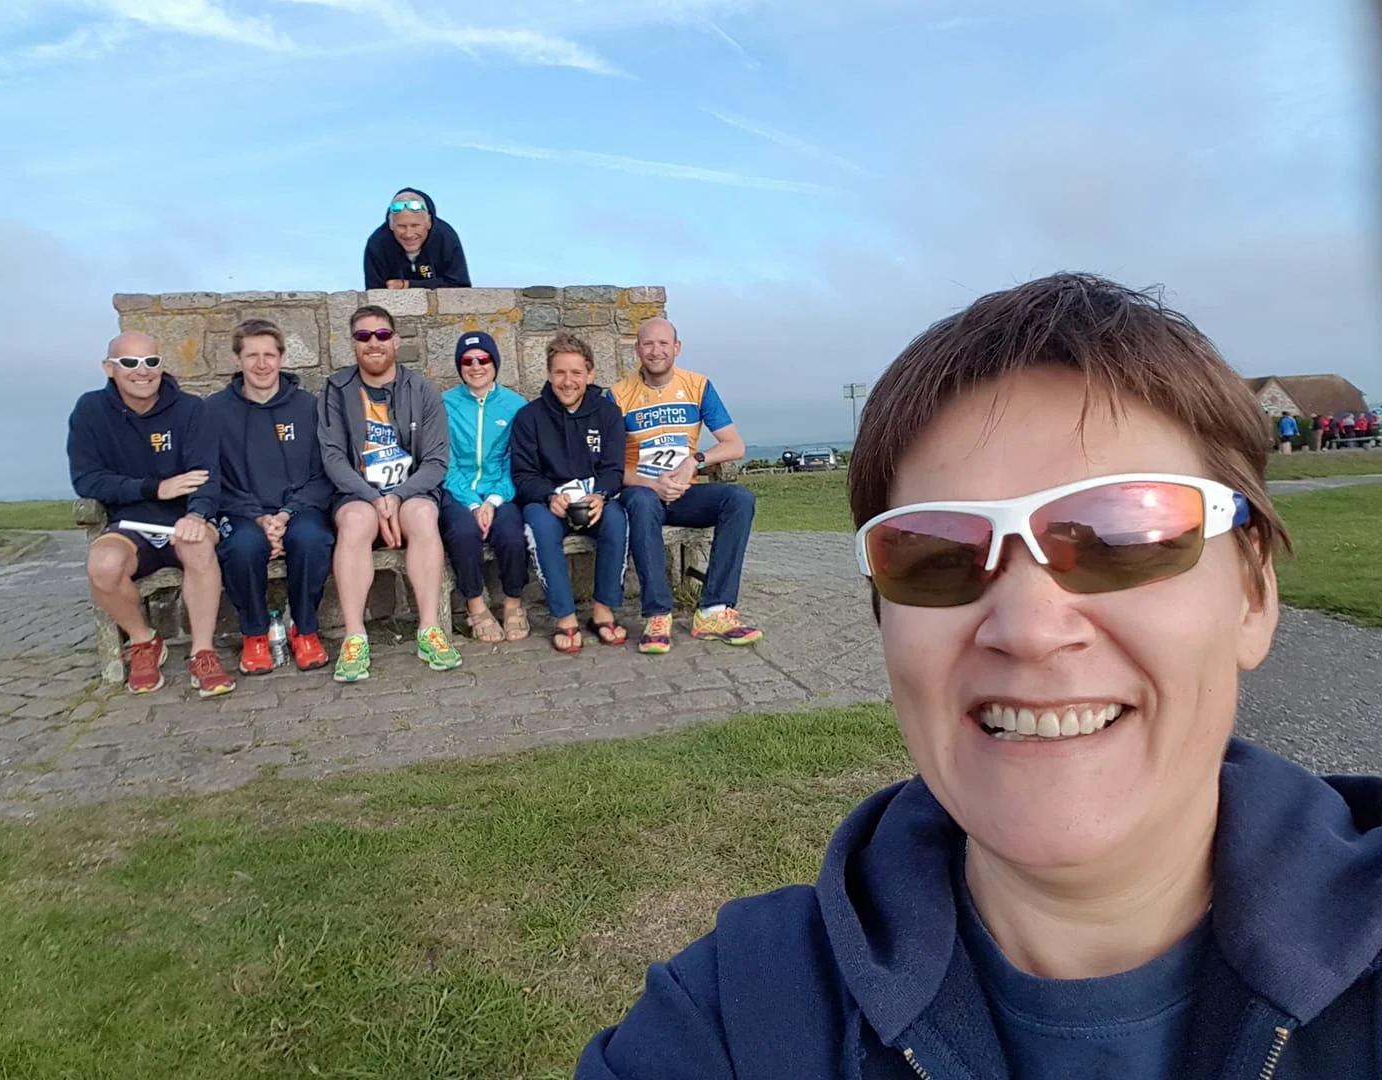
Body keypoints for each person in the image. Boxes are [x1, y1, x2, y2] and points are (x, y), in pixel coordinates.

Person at [576, 273, 1382, 1079]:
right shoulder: (738, 1014)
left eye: (1118, 534)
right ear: (884, 624)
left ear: (1252, 594)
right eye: (937, 555)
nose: (1030, 628)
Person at [67, 331, 235, 698]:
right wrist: (153, 488)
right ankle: (144, 641)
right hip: (129, 525)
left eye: (151, 362)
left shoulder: (191, 409)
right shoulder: (90, 411)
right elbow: (87, 479)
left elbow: (206, 474)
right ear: (109, 368)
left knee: (199, 548)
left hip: (184, 519)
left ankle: (202, 652)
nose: (141, 371)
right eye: (129, 362)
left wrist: (198, 514)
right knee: (103, 565)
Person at [317, 304, 461, 682]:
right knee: (353, 521)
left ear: (396, 340)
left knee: (423, 515)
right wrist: (371, 497)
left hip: (410, 492)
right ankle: (355, 637)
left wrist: (396, 497)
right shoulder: (336, 389)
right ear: (354, 344)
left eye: (381, 335)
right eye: (363, 336)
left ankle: (430, 630)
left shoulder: (422, 390)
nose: (373, 343)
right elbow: (332, 456)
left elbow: (435, 461)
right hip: (358, 494)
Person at [611, 318, 761, 655]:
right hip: (643, 492)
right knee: (640, 502)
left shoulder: (698, 386)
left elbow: (734, 445)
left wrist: (695, 460)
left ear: (676, 348)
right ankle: (657, 614)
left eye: (664, 344)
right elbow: (611, 467)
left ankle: (713, 611)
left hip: (685, 494)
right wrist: (652, 483)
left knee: (739, 499)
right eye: (648, 344)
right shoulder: (618, 395)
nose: (656, 351)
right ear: (637, 349)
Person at [208, 318, 335, 675]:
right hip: (241, 512)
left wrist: (286, 514)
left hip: (298, 510)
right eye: (251, 355)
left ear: (281, 358)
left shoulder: (309, 407)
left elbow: (323, 473)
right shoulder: (214, 412)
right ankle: (255, 634)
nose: (261, 364)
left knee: (312, 539)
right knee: (243, 547)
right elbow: (213, 478)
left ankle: (305, 629)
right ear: (237, 360)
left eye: (268, 354)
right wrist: (259, 518)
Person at [511, 332, 629, 654]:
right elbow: (522, 475)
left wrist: (601, 494)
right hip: (549, 504)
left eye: (576, 373)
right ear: (549, 375)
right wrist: (549, 495)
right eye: (560, 372)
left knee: (617, 520)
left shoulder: (607, 414)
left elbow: (614, 469)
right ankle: (564, 615)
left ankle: (603, 610)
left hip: (593, 501)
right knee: (540, 524)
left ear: (589, 375)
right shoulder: (528, 417)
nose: (568, 381)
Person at [439, 330, 530, 643]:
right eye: (467, 360)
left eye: (483, 359)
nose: (475, 366)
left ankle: (513, 604)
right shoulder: (444, 404)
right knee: (463, 533)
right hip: (457, 493)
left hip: (501, 492)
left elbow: (515, 461)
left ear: (495, 362)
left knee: (512, 536)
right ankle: (475, 605)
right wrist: (473, 503)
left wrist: (492, 500)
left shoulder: (516, 406)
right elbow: (444, 460)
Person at [362, 187, 471, 290]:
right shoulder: (377, 244)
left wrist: (407, 285)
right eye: (401, 226)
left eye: (415, 226)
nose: (409, 234)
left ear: (429, 222)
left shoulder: (446, 238)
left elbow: (460, 286)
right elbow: (373, 293)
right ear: (391, 225)